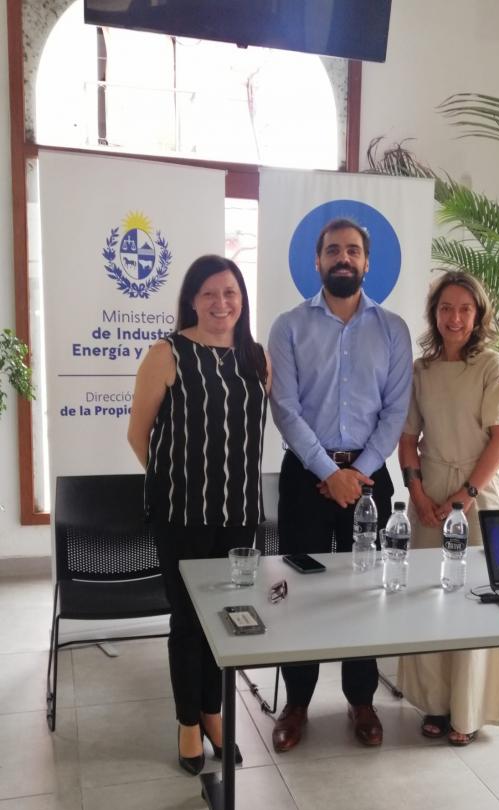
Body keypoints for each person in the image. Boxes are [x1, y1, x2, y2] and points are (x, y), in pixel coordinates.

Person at [268, 217, 413, 752]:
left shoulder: (393, 329)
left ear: (367, 262)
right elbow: (284, 408)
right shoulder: (287, 326)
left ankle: (361, 700)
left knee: (365, 590)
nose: (343, 258)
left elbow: (395, 411)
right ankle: (297, 702)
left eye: (353, 250)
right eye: (333, 251)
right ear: (318, 261)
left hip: (371, 478)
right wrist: (329, 473)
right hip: (306, 476)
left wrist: (360, 474)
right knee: (297, 591)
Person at [128, 255, 270, 775]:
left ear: (242, 298)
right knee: (188, 621)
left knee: (227, 620)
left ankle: (215, 713)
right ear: (192, 298)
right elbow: (137, 434)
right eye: (209, 293)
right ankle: (188, 721)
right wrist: (176, 484)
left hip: (239, 515)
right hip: (182, 515)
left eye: (230, 292)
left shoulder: (258, 357)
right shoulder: (167, 353)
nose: (221, 303)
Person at [397, 270, 499, 746]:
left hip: (478, 495)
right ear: (435, 314)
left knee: (474, 602)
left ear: (478, 316)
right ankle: (434, 704)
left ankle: (467, 712)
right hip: (429, 494)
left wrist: (464, 496)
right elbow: (407, 437)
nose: (455, 318)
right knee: (430, 598)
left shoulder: (493, 366)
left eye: (465, 309)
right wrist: (418, 495)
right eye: (446, 308)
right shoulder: (421, 370)